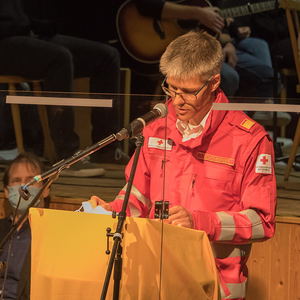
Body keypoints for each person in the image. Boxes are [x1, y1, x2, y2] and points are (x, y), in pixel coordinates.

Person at [91, 31, 277, 299]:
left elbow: (262, 221)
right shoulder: (156, 126)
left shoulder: (249, 139)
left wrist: (200, 221)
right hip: (153, 276)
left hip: (213, 285)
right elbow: (137, 194)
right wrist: (112, 211)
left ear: (214, 82)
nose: (176, 101)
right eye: (171, 88)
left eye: (188, 92)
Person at [0, 0, 125, 173]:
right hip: (5, 39)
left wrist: (38, 25)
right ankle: (67, 156)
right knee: (59, 58)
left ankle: (106, 149)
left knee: (107, 56)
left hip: (27, 33)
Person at [0, 152, 49, 300]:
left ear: (46, 188)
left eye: (30, 180)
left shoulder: (53, 234)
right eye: (17, 180)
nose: (23, 186)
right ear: (7, 192)